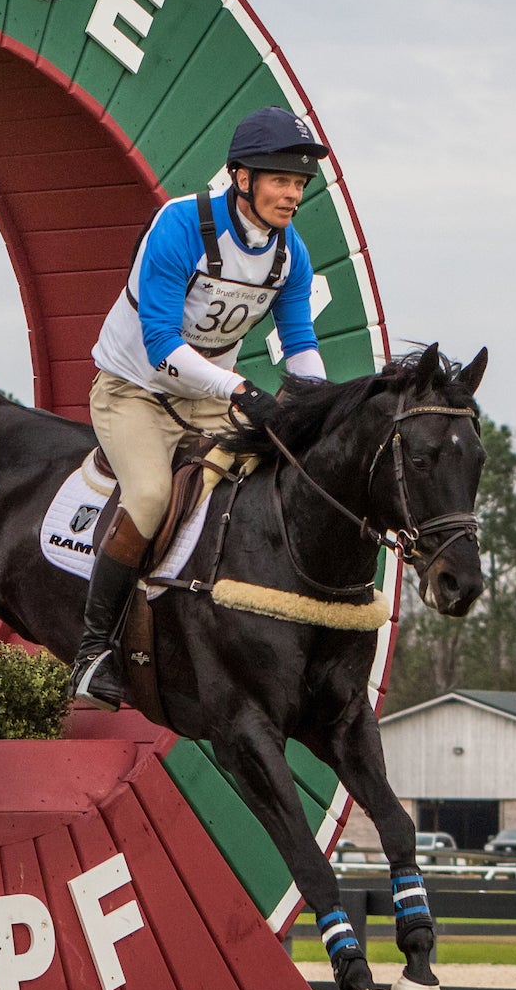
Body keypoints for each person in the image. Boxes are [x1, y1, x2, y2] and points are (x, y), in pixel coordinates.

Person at [70, 106, 330, 707]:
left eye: (299, 183)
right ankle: (91, 652)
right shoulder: (180, 225)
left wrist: (326, 405)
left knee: (269, 480)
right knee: (152, 497)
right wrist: (239, 390)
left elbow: (302, 348)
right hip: (133, 390)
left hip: (207, 397)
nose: (293, 194)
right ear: (242, 179)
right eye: (281, 180)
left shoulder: (290, 254)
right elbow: (161, 344)